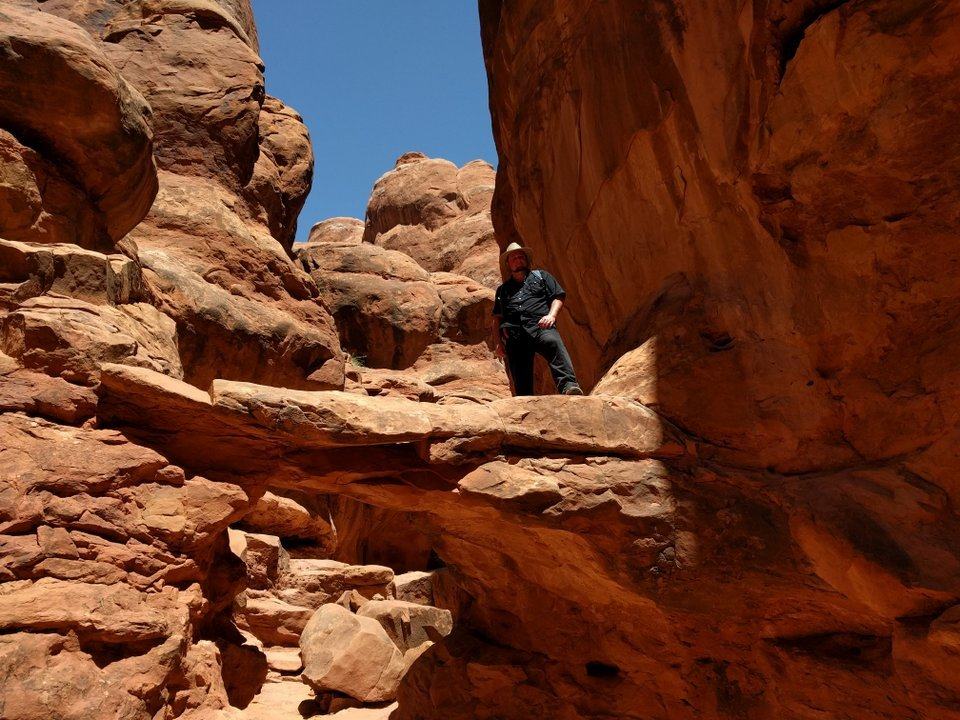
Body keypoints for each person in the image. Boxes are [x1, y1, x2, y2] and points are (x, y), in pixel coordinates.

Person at [491, 242, 583, 396]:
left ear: (526, 260)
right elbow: (497, 318)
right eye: (513, 258)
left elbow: (558, 296)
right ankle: (525, 400)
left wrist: (551, 315)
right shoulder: (503, 290)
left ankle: (568, 386)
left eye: (520, 256)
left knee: (553, 343)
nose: (517, 259)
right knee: (519, 371)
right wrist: (498, 343)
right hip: (515, 333)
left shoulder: (542, 277)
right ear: (508, 263)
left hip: (541, 326)